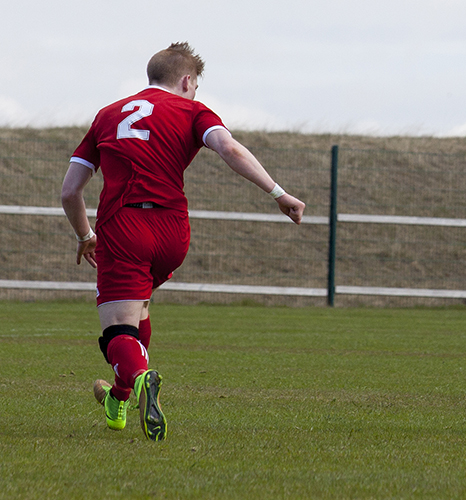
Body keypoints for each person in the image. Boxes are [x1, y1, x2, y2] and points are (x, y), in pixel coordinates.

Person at [61, 42, 306, 440]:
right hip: (174, 231)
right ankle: (119, 396)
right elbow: (229, 147)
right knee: (138, 308)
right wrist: (278, 193)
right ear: (187, 81)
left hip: (124, 226)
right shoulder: (193, 110)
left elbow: (70, 192)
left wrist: (86, 235)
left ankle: (138, 379)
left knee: (116, 333)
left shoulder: (107, 116)